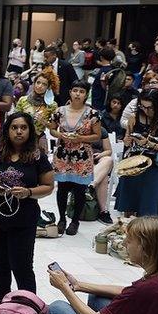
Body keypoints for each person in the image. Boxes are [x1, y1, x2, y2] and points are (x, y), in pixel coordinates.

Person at [0, 112, 55, 302]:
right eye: (14, 127)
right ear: (7, 130)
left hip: (23, 220)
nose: (19, 132)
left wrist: (28, 192)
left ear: (30, 130)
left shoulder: (37, 156)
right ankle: (1, 305)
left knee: (22, 266)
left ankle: (29, 307)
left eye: (23, 128)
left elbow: (48, 186)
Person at [48, 80, 101, 235]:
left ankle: (75, 221)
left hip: (82, 155)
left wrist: (81, 139)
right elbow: (52, 129)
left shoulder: (92, 114)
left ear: (86, 95)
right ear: (70, 91)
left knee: (80, 189)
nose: (78, 94)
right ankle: (61, 219)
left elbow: (97, 135)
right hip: (63, 153)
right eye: (75, 90)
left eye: (82, 91)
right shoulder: (59, 111)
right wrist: (60, 134)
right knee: (62, 188)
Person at [115, 89, 158, 217]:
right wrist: (127, 141)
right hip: (133, 166)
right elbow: (127, 142)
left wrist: (148, 144)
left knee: (149, 210)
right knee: (128, 207)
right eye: (142, 106)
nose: (146, 110)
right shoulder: (134, 117)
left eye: (149, 108)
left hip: (155, 167)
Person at [15, 69, 59, 147]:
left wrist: (43, 121)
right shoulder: (23, 100)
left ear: (48, 87)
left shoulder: (52, 105)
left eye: (44, 84)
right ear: (34, 83)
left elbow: (53, 127)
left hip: (38, 139)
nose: (39, 86)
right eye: (38, 82)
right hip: (20, 138)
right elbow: (14, 119)